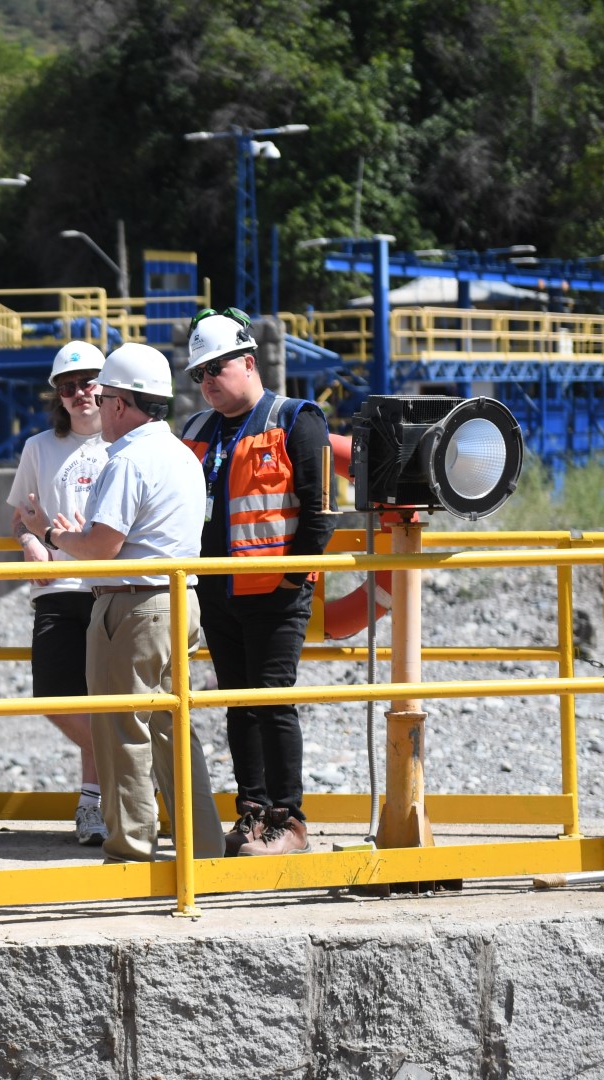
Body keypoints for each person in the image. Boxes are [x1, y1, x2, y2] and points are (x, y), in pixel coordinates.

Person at [30, 342, 224, 864]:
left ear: (121, 404)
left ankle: (132, 852)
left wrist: (56, 535)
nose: (97, 402)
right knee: (172, 731)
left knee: (122, 732)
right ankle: (202, 847)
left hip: (132, 606)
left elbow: (101, 546)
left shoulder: (129, 460)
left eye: (105, 394)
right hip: (180, 601)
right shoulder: (181, 454)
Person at [181, 310, 336, 856]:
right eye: (199, 373)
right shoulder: (195, 431)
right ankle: (251, 813)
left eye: (216, 368)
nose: (207, 382)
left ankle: (288, 820)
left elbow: (320, 515)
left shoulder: (297, 419)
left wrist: (291, 580)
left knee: (272, 702)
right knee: (238, 702)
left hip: (275, 594)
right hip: (216, 592)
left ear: (249, 362)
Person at [8, 340, 112, 846]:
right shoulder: (38, 448)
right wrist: (30, 542)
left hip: (110, 587)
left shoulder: (127, 442)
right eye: (68, 387)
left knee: (104, 701)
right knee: (52, 697)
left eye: (88, 382)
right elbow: (19, 518)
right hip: (55, 590)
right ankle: (122, 775)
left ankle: (92, 805)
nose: (79, 393)